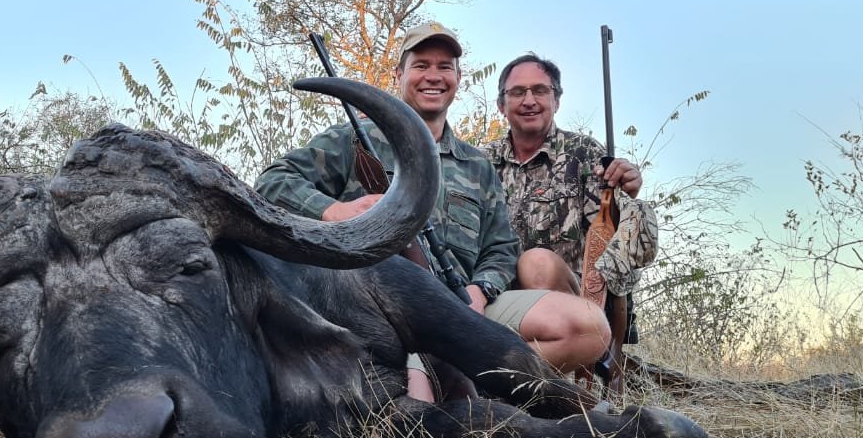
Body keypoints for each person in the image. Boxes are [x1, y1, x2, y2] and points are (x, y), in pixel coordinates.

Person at [254, 23, 609, 401]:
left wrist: (480, 290)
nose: (434, 76)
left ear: (458, 78)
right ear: (399, 75)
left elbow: (502, 246)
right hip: (379, 314)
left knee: (588, 328)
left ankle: (481, 388)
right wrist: (335, 210)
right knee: (413, 401)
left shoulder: (478, 163)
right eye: (421, 65)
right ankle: (450, 390)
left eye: (445, 66)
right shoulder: (351, 138)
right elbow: (273, 182)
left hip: (464, 307)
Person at [486, 52, 651, 298]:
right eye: (518, 92)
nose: (529, 101)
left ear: (557, 101)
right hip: (493, 296)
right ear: (501, 104)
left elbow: (614, 250)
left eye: (540, 90)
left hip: (568, 301)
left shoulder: (585, 154)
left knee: (538, 265)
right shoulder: (480, 161)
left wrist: (623, 202)